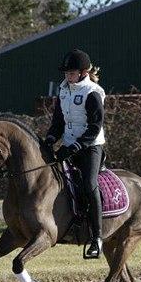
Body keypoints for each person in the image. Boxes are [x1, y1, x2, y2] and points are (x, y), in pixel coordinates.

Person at [45, 49, 106, 259]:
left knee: (89, 185)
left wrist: (78, 146)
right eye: (66, 74)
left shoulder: (92, 92)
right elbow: (58, 123)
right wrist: (51, 139)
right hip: (69, 145)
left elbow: (95, 127)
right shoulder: (63, 91)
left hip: (91, 147)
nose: (67, 77)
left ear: (83, 72)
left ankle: (97, 238)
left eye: (71, 73)